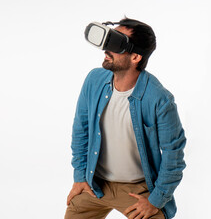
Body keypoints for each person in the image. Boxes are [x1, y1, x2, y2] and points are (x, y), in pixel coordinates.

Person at [65, 17, 186, 219]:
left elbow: (174, 155)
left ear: (136, 57)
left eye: (116, 44)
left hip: (138, 189)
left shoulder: (160, 100)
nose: (106, 50)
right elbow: (81, 130)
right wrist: (79, 177)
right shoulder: (94, 80)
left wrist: (155, 201)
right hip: (95, 184)